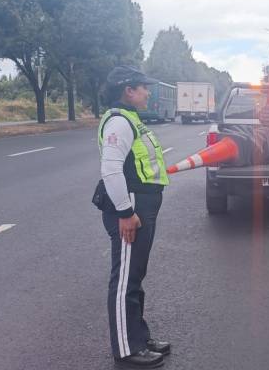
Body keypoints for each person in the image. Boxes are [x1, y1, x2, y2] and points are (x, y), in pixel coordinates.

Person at [97, 65, 172, 368]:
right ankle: (127, 350)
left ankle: (138, 337)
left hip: (142, 205)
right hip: (130, 207)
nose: (148, 92)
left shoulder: (131, 119)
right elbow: (111, 169)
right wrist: (125, 213)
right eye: (143, 87)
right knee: (125, 279)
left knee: (135, 276)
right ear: (128, 90)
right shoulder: (119, 122)